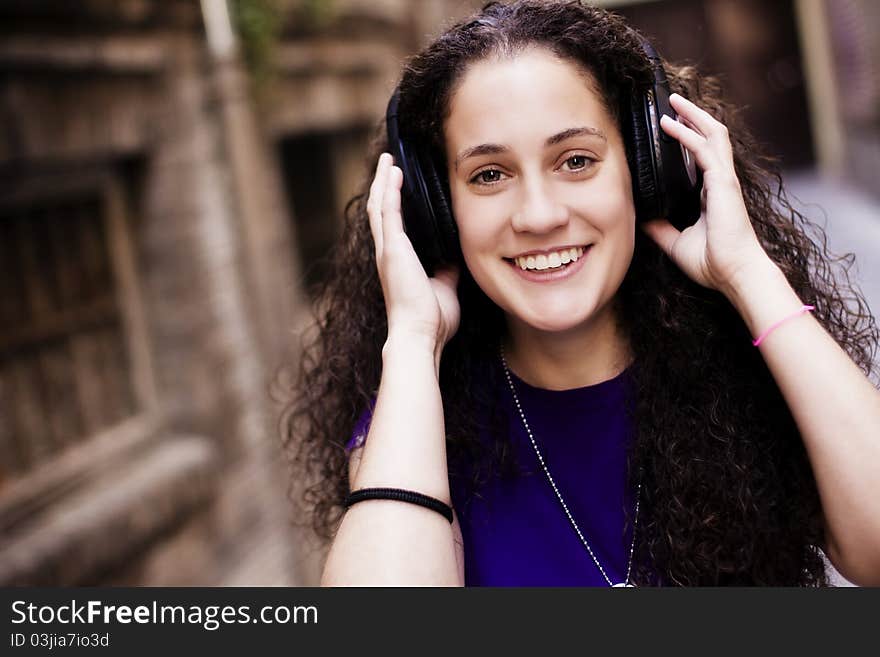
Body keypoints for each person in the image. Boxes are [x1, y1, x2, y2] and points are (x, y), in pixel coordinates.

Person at [282, 0, 880, 586]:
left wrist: (747, 273)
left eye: (576, 160)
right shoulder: (413, 422)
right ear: (437, 213)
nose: (539, 215)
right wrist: (413, 340)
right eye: (489, 175)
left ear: (647, 173)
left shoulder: (754, 367)